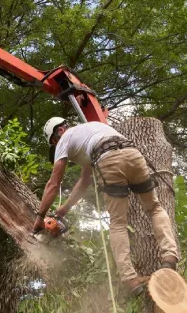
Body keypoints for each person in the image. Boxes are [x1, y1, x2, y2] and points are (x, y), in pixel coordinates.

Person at [33, 117, 178, 295]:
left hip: (108, 159)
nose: (57, 146)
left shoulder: (65, 138)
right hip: (133, 154)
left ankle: (130, 279)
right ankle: (170, 256)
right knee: (154, 207)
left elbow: (54, 183)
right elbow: (84, 181)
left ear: (58, 132)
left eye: (54, 143)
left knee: (118, 222)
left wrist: (40, 217)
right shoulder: (92, 129)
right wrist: (65, 208)